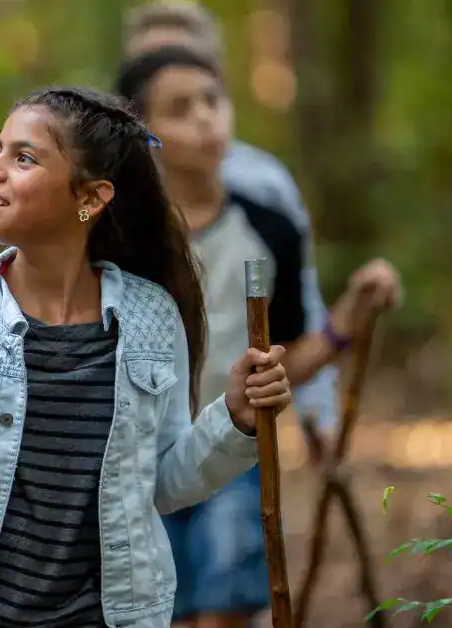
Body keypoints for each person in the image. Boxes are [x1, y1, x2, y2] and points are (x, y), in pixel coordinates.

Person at [0, 85, 295, 628]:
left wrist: (234, 418)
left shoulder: (151, 317)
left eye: (24, 157)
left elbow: (163, 483)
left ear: (90, 198)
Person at [115, 45, 402, 628]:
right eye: (180, 108)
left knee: (224, 610)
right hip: (130, 459)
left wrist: (348, 317)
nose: (204, 118)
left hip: (235, 451)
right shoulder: (117, 238)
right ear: (143, 131)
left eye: (212, 101)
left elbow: (287, 358)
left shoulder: (268, 229)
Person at [123, 0, 342, 435]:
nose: (202, 117)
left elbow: (299, 310)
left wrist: (319, 412)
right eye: (153, 63)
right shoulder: (112, 214)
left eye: (208, 96)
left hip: (229, 436)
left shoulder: (265, 191)